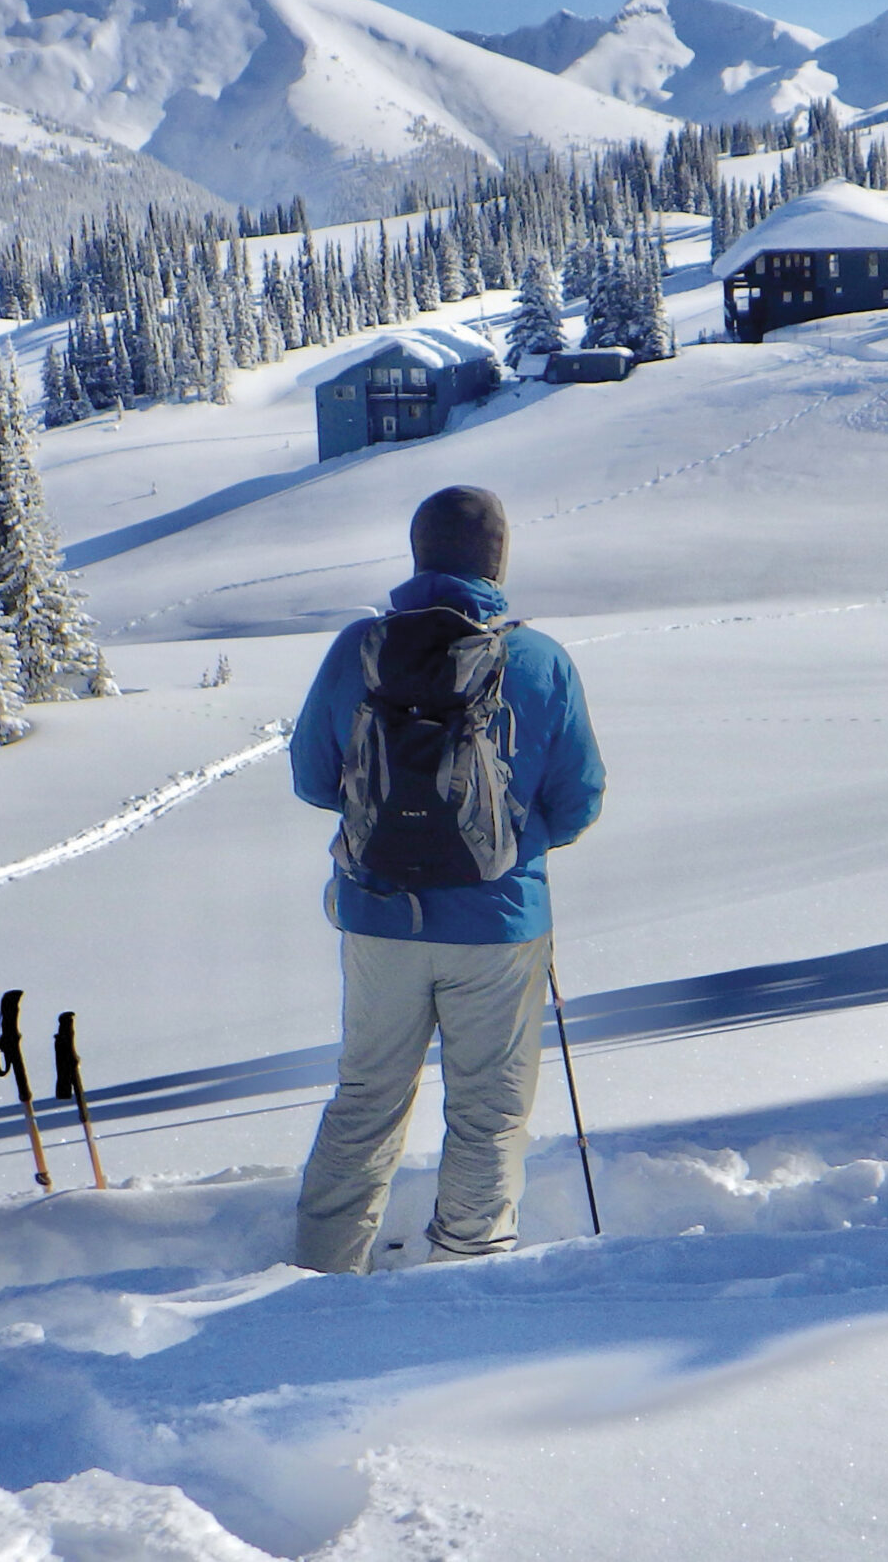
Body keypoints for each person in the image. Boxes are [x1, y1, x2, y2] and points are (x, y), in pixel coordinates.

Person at [289, 485, 604, 1273]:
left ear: (419, 553)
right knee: (489, 1110)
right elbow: (580, 799)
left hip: (379, 915)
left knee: (366, 1099)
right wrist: (509, 844)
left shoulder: (359, 648)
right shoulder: (539, 660)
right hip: (499, 924)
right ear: (497, 561)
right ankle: (465, 1267)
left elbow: (312, 776)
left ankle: (320, 1272)